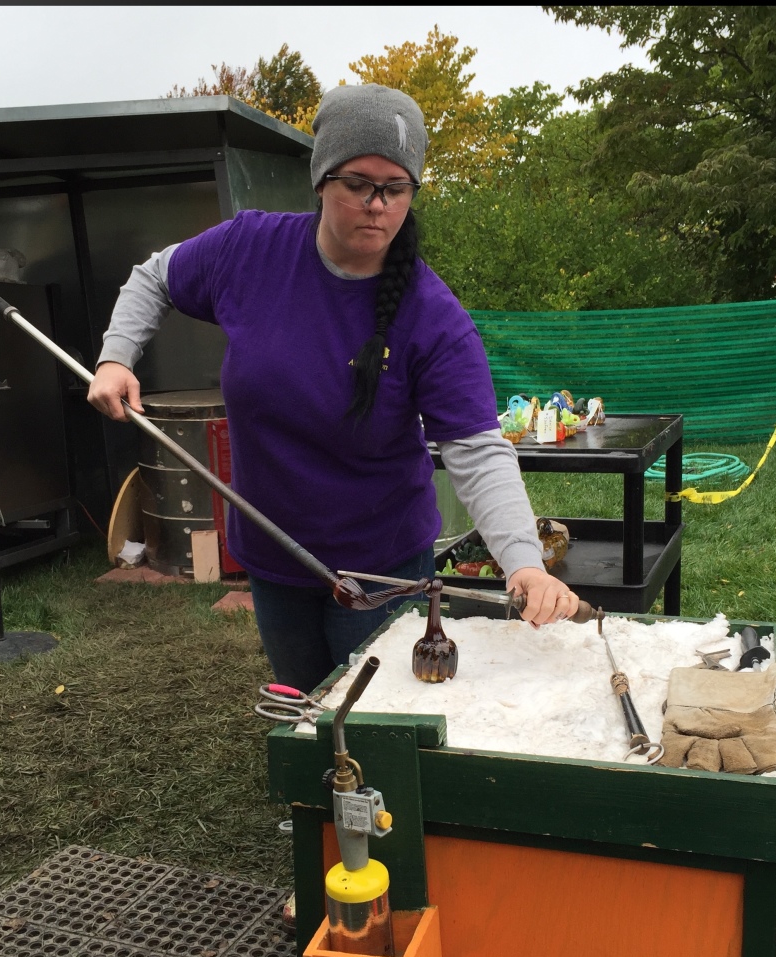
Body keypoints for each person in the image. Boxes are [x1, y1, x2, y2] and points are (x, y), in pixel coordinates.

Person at [88, 84, 581, 690]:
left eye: (395, 188)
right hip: (274, 553)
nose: (377, 205)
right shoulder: (250, 250)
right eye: (358, 183)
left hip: (382, 569)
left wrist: (524, 563)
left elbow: (477, 449)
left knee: (376, 720)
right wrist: (116, 357)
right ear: (321, 180)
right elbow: (154, 276)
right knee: (306, 705)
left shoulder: (433, 316)